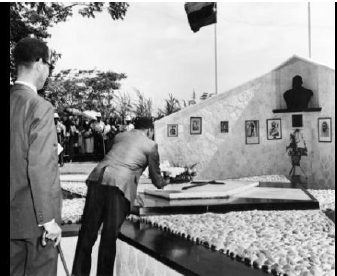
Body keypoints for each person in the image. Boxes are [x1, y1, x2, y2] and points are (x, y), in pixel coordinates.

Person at [71, 117, 170, 276]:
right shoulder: (151, 146)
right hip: (118, 188)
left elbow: (119, 160)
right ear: (150, 130)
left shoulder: (120, 136)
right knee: (108, 238)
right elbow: (156, 180)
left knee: (87, 235)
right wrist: (168, 180)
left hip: (97, 180)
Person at [10, 37, 62, 276]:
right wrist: (48, 220)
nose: (48, 73)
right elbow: (40, 167)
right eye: (49, 67)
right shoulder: (39, 106)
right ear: (40, 64)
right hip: (34, 221)